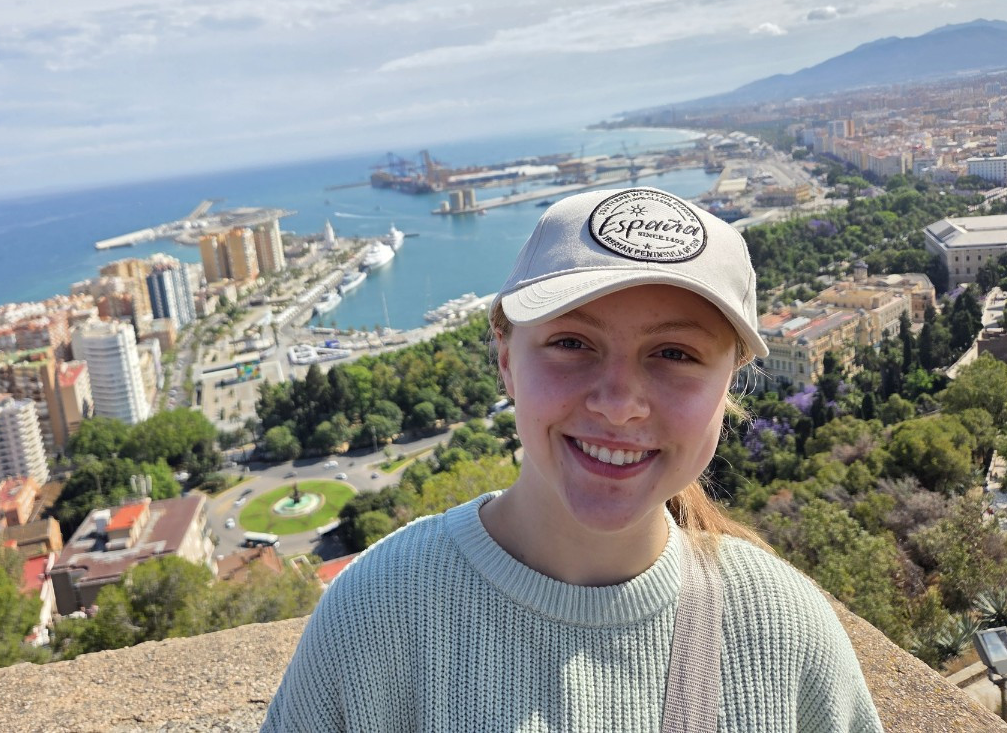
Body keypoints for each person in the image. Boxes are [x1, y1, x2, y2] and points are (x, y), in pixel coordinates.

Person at [261, 187, 882, 732]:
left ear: (730, 385)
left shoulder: (786, 630)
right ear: (507, 359)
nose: (618, 405)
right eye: (571, 342)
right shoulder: (377, 614)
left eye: (674, 354)